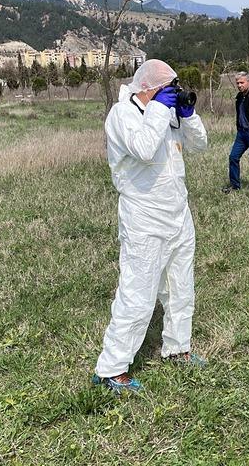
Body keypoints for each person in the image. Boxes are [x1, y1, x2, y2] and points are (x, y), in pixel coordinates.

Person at [92, 59, 209, 393]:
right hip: (144, 217)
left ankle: (177, 348)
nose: (173, 93)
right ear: (148, 87)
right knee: (138, 293)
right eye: (167, 87)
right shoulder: (122, 115)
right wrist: (159, 109)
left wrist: (188, 117)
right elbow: (143, 150)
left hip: (178, 214)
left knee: (180, 288)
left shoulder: (166, 113)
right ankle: (112, 369)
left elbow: (200, 145)